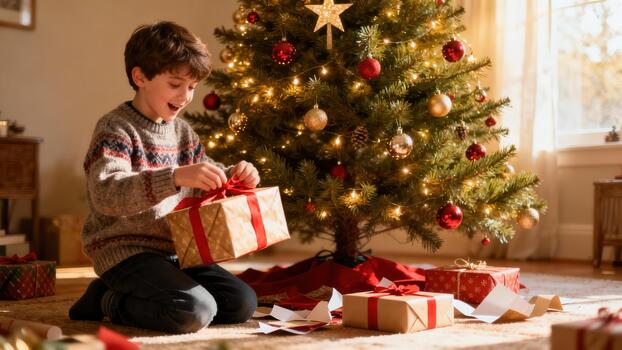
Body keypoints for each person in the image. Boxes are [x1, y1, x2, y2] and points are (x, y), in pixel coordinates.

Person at [69, 21, 259, 333]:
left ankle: (130, 294)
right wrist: (174, 177)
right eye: (175, 84)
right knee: (195, 311)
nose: (185, 97)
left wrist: (235, 176)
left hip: (177, 251)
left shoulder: (184, 133)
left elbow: (203, 179)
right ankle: (107, 300)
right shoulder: (115, 128)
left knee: (241, 303)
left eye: (192, 87)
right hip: (126, 253)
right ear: (140, 76)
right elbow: (106, 194)